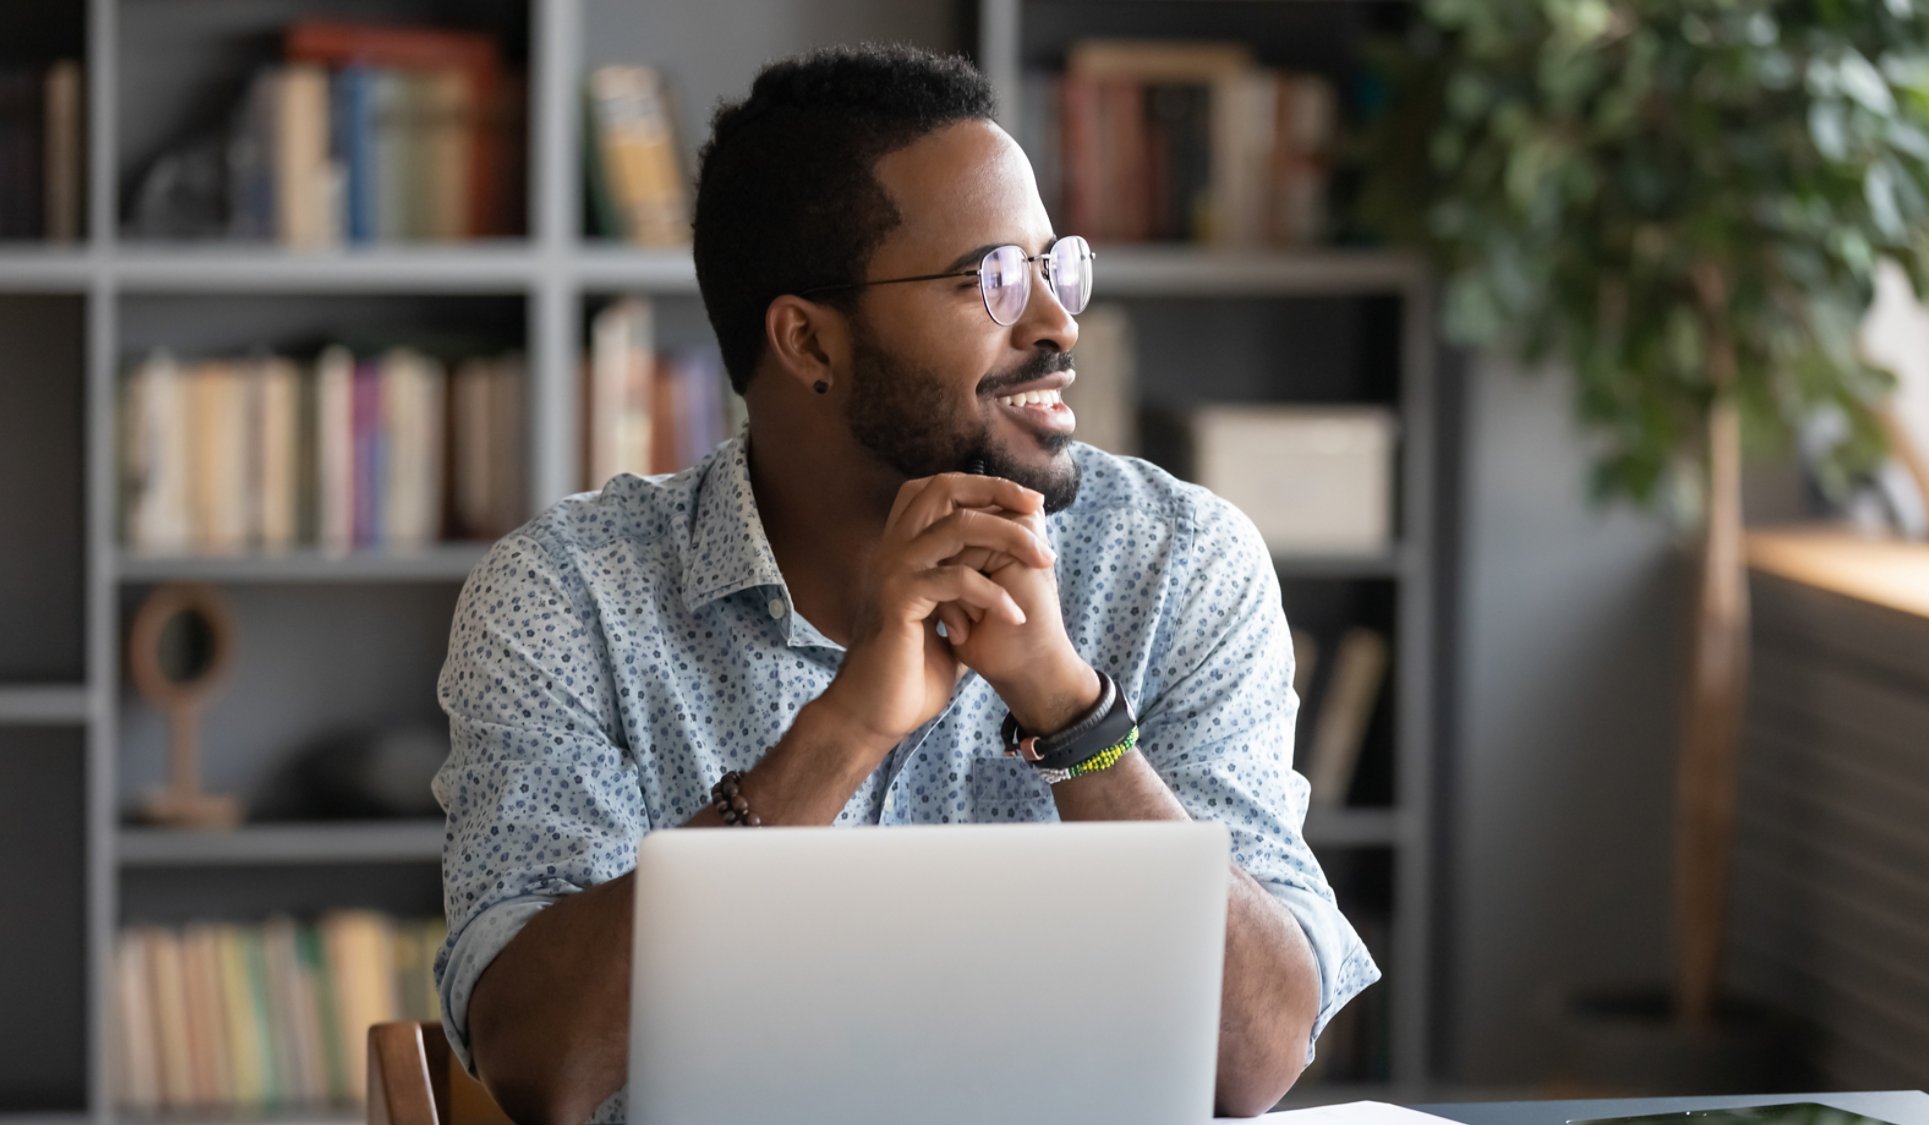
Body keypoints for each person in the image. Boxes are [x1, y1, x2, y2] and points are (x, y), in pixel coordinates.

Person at [432, 43, 1380, 1125]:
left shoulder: (1178, 562)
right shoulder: (568, 597)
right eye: (990, 280)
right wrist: (840, 733)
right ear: (807, 341)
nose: (1054, 326)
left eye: (1051, 268)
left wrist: (1073, 719)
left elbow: (1256, 1061)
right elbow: (539, 1065)